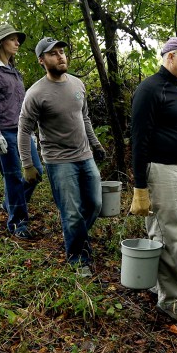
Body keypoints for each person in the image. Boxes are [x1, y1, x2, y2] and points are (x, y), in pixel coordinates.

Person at [129, 36, 177, 326]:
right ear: (171, 56)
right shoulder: (149, 89)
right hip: (159, 170)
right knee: (167, 235)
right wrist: (140, 188)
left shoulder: (176, 89)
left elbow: (176, 123)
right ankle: (171, 300)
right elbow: (139, 139)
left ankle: (164, 284)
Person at [18, 37, 105, 277]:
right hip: (58, 160)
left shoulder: (77, 84)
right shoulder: (36, 93)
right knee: (71, 212)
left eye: (61, 52)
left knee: (95, 205)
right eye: (53, 54)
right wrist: (27, 164)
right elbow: (24, 130)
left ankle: (74, 238)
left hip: (85, 155)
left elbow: (84, 118)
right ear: (41, 60)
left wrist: (95, 145)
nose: (60, 56)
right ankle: (78, 258)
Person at [0, 23, 43, 238]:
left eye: (17, 39)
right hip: (4, 131)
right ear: (0, 43)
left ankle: (10, 203)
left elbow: (22, 103)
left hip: (23, 132)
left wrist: (31, 129)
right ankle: (18, 223)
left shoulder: (14, 72)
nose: (17, 43)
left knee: (36, 173)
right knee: (14, 177)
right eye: (12, 39)